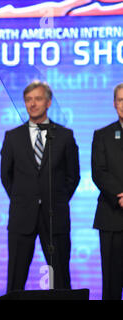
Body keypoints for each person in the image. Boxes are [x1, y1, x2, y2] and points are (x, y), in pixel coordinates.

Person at [0, 80, 80, 292]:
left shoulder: (65, 136)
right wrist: (23, 198)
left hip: (55, 217)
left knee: (61, 278)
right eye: (28, 100)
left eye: (37, 99)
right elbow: (6, 176)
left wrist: (56, 199)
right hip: (21, 216)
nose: (32, 104)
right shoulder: (12, 137)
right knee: (15, 279)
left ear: (48, 102)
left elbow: (73, 177)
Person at [92, 83, 123, 300]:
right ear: (114, 104)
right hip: (112, 217)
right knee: (111, 285)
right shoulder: (102, 135)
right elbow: (99, 172)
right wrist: (120, 195)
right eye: (121, 99)